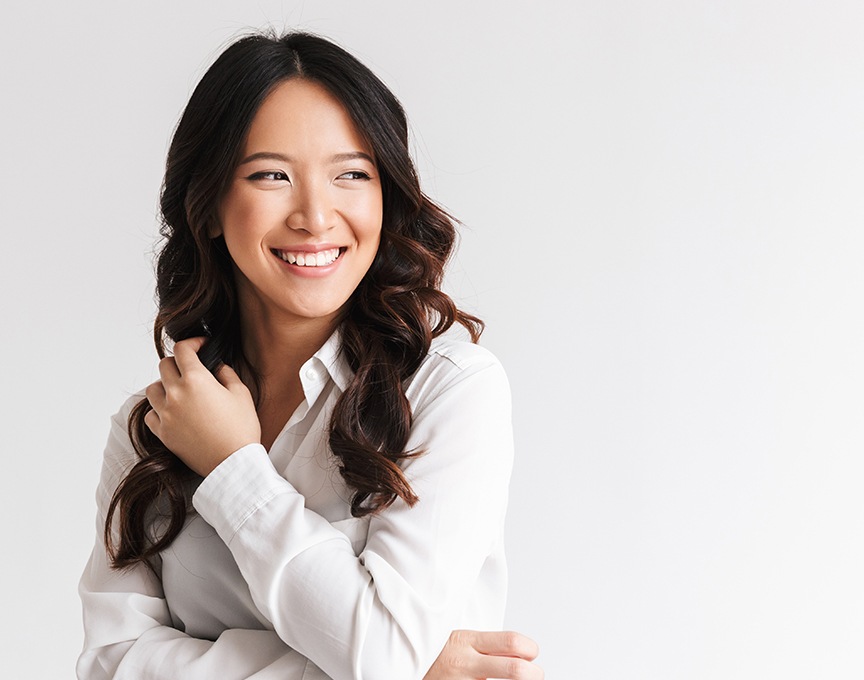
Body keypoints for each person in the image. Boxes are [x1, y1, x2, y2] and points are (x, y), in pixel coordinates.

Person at [77, 31, 543, 680]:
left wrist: (232, 470)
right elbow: (110, 664)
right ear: (209, 205)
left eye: (351, 174)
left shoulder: (451, 392)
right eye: (272, 175)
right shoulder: (154, 424)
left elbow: (381, 655)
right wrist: (387, 664)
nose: (316, 216)